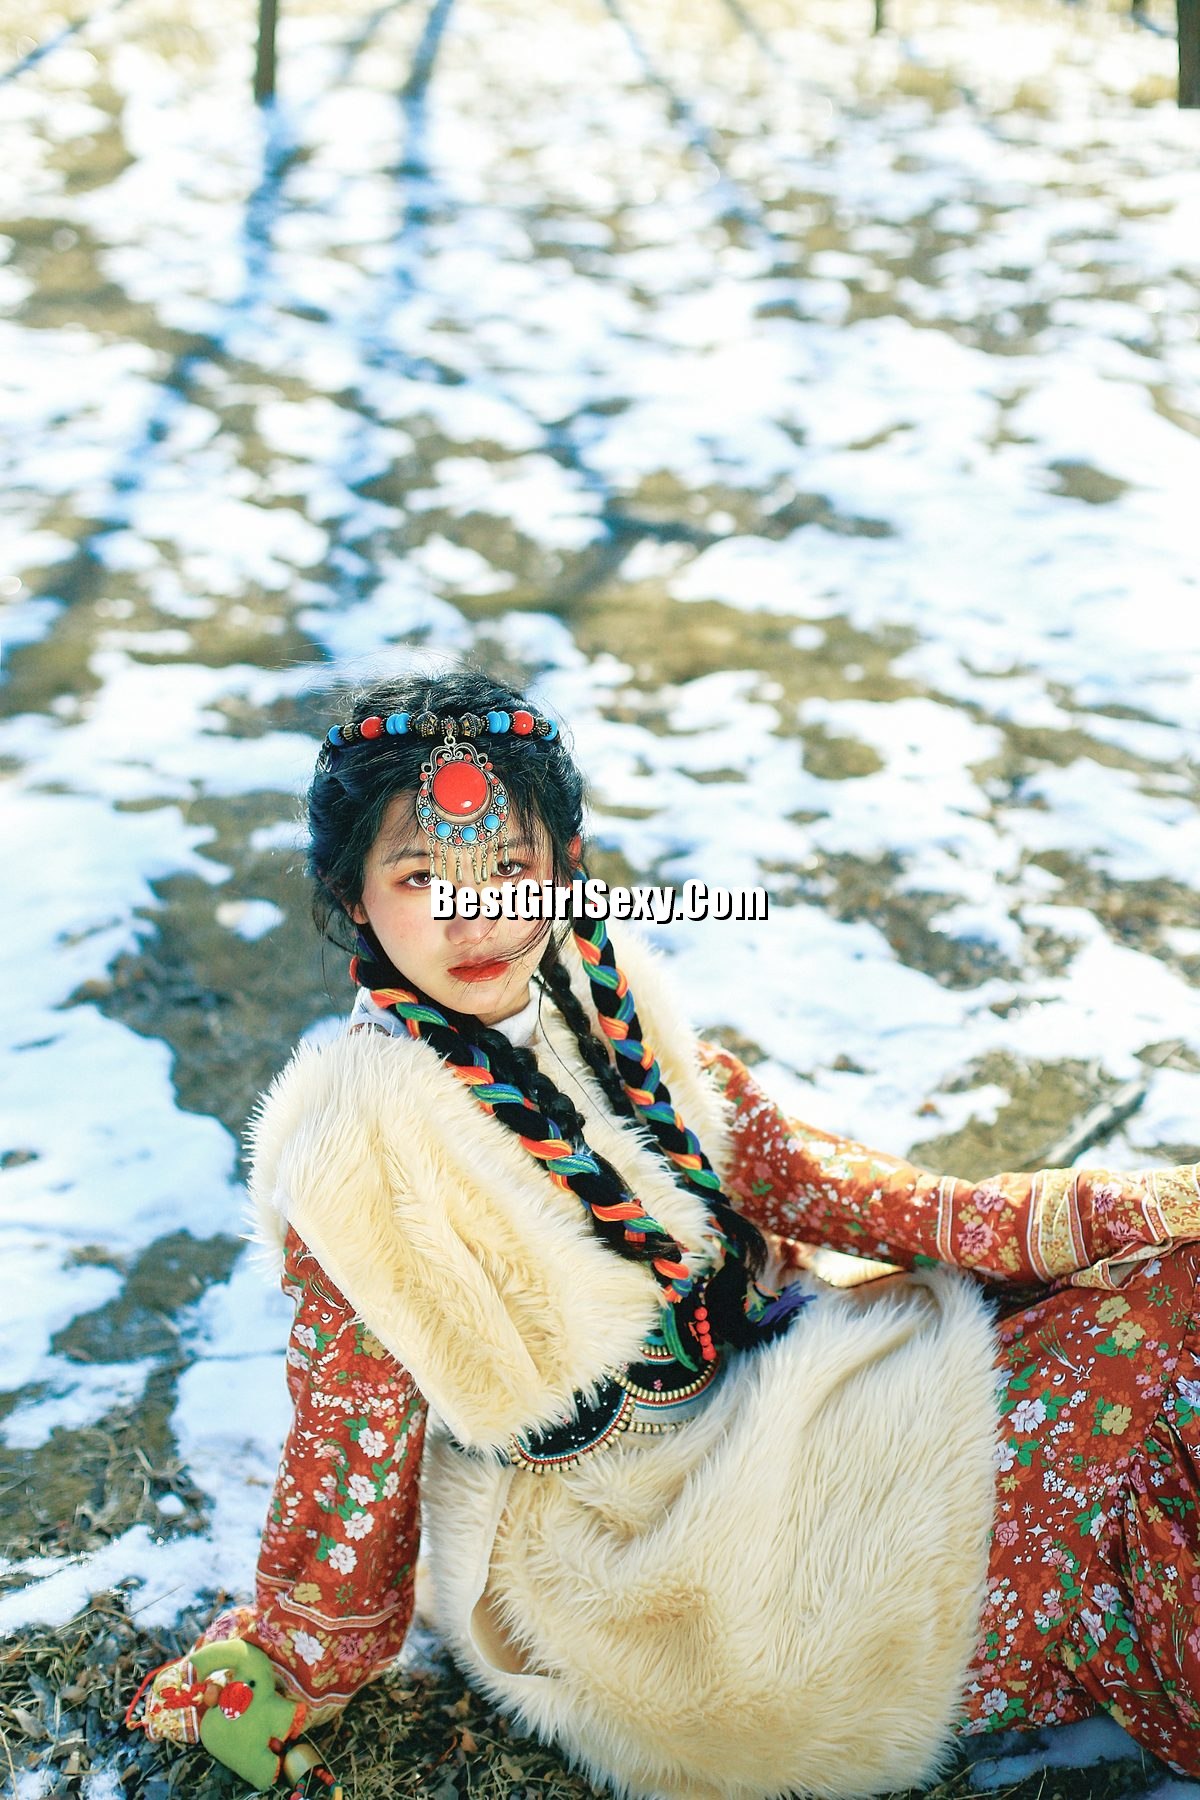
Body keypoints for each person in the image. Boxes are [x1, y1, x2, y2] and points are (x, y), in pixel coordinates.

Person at [155, 668, 1200, 1798]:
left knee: (1168, 1276)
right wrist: (297, 1656)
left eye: (509, 869)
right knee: (1128, 1364)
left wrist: (1073, 1218)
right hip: (655, 1568)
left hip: (781, 1396)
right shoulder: (357, 1147)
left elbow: (797, 1176)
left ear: (566, 865)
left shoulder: (600, 998)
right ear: (352, 897)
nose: (476, 915)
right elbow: (348, 1448)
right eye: (421, 877)